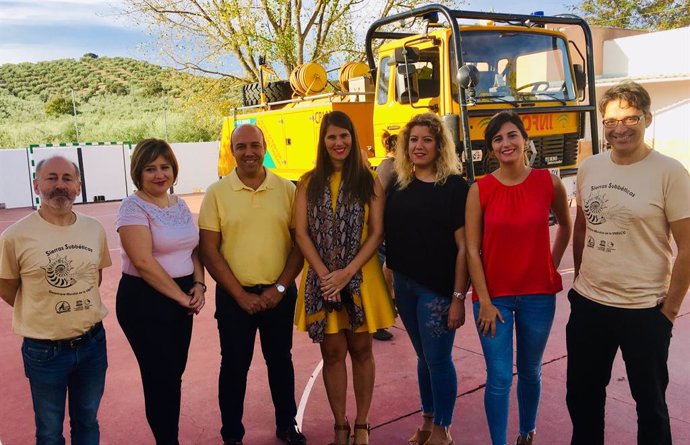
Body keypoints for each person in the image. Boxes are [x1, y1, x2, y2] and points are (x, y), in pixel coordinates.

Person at [567, 81, 690, 445]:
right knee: (582, 398)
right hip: (589, 306)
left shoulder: (670, 172)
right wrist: (578, 281)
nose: (619, 128)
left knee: (650, 405)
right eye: (610, 120)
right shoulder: (589, 167)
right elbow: (582, 226)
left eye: (630, 118)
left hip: (644, 311)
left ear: (647, 119)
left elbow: (687, 247)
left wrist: (668, 311)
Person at [465, 111, 572, 445]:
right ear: (492, 149)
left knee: (530, 370)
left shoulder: (547, 182)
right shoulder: (480, 190)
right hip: (493, 298)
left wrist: (549, 266)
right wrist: (482, 299)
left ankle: (528, 433)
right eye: (497, 139)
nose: (506, 143)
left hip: (538, 297)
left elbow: (566, 226)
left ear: (525, 140)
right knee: (498, 377)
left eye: (512, 135)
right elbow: (471, 250)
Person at [198, 124, 306, 445]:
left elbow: (299, 245)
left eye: (255, 145)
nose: (249, 152)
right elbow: (209, 250)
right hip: (235, 298)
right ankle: (232, 434)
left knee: (281, 363)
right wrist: (240, 295)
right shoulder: (216, 193)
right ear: (233, 150)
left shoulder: (287, 189)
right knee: (233, 368)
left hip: (279, 294)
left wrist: (281, 288)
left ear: (264, 148)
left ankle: (287, 425)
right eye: (242, 146)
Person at [294, 110, 396, 445]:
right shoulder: (308, 182)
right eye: (331, 137)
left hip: (360, 278)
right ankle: (340, 424)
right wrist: (327, 276)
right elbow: (301, 233)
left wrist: (346, 273)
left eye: (344, 136)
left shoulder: (368, 181)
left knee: (362, 349)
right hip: (322, 280)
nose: (338, 143)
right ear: (323, 142)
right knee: (332, 353)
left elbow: (377, 232)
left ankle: (363, 424)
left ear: (353, 139)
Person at [0, 155, 112, 444]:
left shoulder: (94, 228)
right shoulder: (14, 236)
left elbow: (93, 277)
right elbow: (6, 285)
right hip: (44, 352)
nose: (59, 185)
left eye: (66, 178)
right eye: (51, 178)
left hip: (92, 345)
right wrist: (43, 309)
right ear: (37, 184)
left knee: (88, 422)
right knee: (49, 432)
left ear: (78, 186)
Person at [384, 113, 469, 445]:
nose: (419, 146)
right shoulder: (400, 184)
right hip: (405, 284)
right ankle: (428, 419)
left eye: (427, 140)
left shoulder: (455, 188)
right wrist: (390, 276)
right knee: (423, 358)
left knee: (437, 359)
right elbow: (394, 235)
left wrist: (458, 298)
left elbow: (464, 247)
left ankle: (443, 429)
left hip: (438, 290)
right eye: (413, 140)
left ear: (439, 145)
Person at [115, 139, 205, 444]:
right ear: (138, 172)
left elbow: (192, 248)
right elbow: (143, 262)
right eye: (150, 168)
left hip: (181, 296)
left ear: (174, 170)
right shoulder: (132, 206)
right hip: (144, 300)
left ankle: (169, 437)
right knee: (159, 377)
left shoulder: (179, 204)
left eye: (164, 167)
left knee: (173, 375)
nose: (159, 174)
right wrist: (181, 298)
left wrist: (199, 285)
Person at [372, 131, 398, 342]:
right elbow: (379, 198)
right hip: (385, 230)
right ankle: (380, 320)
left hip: (383, 230)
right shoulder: (391, 168)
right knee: (383, 274)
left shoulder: (384, 165)